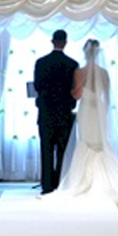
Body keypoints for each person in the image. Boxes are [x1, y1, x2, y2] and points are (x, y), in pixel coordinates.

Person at [43, 39, 118, 205]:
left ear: (85, 53)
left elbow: (76, 95)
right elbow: (107, 98)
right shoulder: (104, 73)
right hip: (98, 111)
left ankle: (83, 181)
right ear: (98, 53)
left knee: (86, 142)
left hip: (86, 111)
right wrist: (104, 114)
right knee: (99, 143)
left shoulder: (80, 72)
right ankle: (104, 179)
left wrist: (80, 87)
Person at [33, 30, 78, 194]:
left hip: (46, 110)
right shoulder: (72, 64)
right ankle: (60, 182)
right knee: (62, 149)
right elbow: (74, 88)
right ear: (65, 42)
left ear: (52, 41)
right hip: (65, 112)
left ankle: (46, 185)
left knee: (46, 148)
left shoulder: (41, 62)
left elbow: (37, 86)